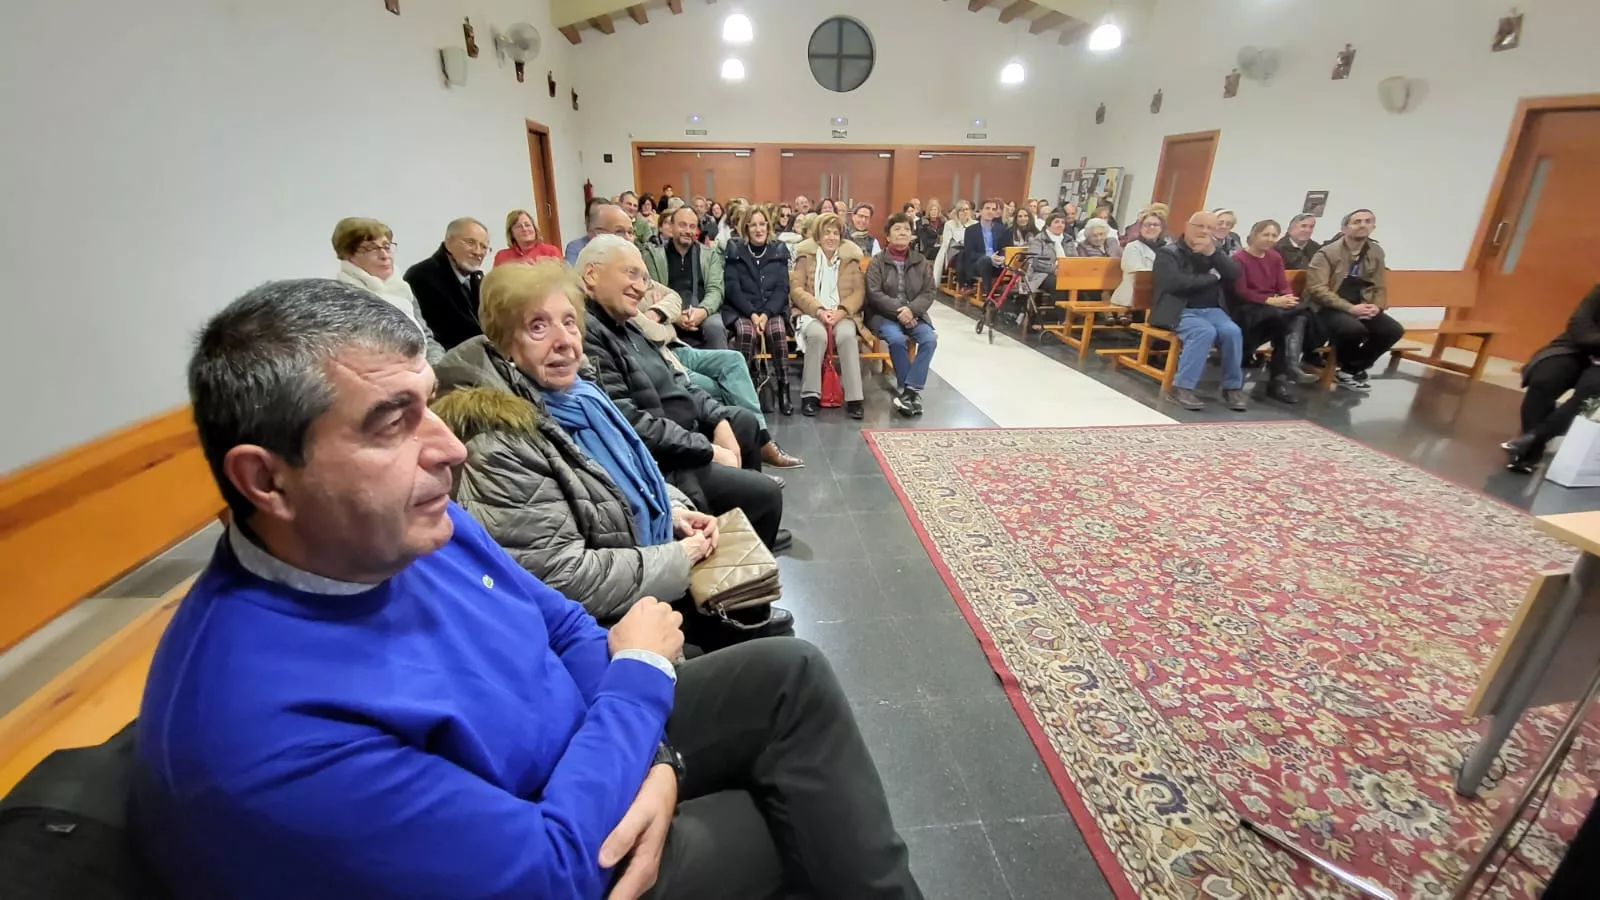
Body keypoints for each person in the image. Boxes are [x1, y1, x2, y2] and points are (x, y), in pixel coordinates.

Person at [135, 277, 919, 900]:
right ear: (266, 480)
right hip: (555, 840)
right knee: (795, 822)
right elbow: (545, 872)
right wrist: (640, 683)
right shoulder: (262, 730)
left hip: (585, 748)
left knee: (788, 676)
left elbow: (568, 627)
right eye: (392, 423)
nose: (450, 449)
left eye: (428, 404)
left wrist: (653, 754)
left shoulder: (406, 529)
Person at [432, 261, 794, 641]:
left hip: (637, 563)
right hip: (595, 629)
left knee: (751, 594)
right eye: (538, 326)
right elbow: (563, 578)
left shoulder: (581, 395)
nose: (563, 340)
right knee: (791, 659)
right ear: (504, 342)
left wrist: (673, 511)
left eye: (569, 322)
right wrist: (678, 557)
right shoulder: (500, 439)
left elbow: (623, 477)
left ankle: (738, 616)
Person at [580, 235, 789, 551]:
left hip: (681, 431)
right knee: (766, 494)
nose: (640, 288)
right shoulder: (589, 335)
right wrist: (706, 448)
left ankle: (748, 530)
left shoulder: (628, 324)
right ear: (592, 274)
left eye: (644, 278)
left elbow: (679, 380)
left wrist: (717, 419)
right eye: (631, 274)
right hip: (664, 460)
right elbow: (629, 424)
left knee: (743, 423)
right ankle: (740, 547)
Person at [633, 274, 805, 472]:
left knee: (734, 360)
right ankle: (745, 460)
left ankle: (762, 439)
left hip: (676, 348)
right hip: (659, 357)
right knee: (717, 386)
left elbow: (674, 298)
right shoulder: (618, 295)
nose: (637, 282)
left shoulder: (640, 277)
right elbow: (653, 334)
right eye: (631, 273)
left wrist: (657, 311)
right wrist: (666, 316)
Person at [1150, 212, 1247, 412]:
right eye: (1200, 226)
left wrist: (1214, 254)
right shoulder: (1168, 252)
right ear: (1188, 226)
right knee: (1203, 331)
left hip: (1212, 309)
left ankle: (1232, 388)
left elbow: (1234, 274)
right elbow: (1175, 284)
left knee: (1233, 332)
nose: (1204, 231)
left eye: (1210, 228)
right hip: (1178, 309)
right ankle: (1182, 388)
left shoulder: (1214, 252)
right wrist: (1212, 278)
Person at [1304, 208, 1405, 392]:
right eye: (1357, 222)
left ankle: (1350, 369)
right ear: (1344, 228)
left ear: (1373, 227)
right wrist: (1350, 309)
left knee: (1392, 330)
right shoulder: (1327, 253)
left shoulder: (1375, 251)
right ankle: (1347, 367)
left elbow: (1379, 284)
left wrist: (1376, 306)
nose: (1362, 225)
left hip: (1361, 303)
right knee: (1353, 329)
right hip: (1328, 306)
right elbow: (1317, 289)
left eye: (1367, 221)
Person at [1503, 285, 1600, 473]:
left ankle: (1532, 440)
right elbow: (1578, 324)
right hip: (1577, 346)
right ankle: (1531, 448)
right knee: (1546, 378)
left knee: (1590, 393)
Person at [330, 217, 442, 364]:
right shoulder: (340, 298)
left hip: (422, 367)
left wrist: (437, 366)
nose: (384, 255)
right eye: (371, 248)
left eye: (386, 246)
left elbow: (427, 339)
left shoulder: (401, 288)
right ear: (348, 255)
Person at [1230, 219, 1316, 404]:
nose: (1270, 239)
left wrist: (1288, 297)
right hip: (1248, 308)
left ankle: (1282, 377)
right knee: (1288, 320)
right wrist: (1272, 301)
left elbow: (1282, 284)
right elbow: (1241, 291)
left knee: (1299, 315)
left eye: (1274, 235)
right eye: (1265, 234)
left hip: (1273, 308)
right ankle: (1283, 375)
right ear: (1254, 235)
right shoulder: (1239, 259)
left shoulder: (1275, 257)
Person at [791, 212, 867, 419]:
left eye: (835, 233)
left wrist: (841, 311)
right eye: (826, 233)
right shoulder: (805, 259)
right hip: (812, 313)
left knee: (847, 336)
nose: (831, 237)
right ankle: (810, 395)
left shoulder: (850, 261)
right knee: (817, 336)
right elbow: (797, 290)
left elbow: (858, 292)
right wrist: (819, 310)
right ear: (818, 236)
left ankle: (854, 398)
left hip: (842, 314)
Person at [722, 207, 795, 415]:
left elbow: (782, 289)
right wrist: (753, 314)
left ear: (768, 226)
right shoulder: (735, 249)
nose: (758, 229)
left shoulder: (778, 249)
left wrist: (766, 314)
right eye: (753, 225)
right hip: (742, 309)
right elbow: (733, 288)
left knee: (778, 331)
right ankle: (742, 389)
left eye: (762, 224)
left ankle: (783, 388)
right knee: (746, 333)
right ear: (746, 227)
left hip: (771, 310)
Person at [866, 214, 938, 418]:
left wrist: (912, 310)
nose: (902, 233)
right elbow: (874, 294)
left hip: (914, 314)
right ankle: (910, 392)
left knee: (930, 339)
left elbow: (929, 292)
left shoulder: (920, 261)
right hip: (884, 314)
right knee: (896, 340)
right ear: (888, 236)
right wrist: (901, 311)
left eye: (906, 229)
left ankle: (909, 391)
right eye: (897, 229)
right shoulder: (877, 262)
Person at [644, 207, 728, 349]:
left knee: (715, 327)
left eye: (692, 226)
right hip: (668, 312)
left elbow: (716, 290)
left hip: (702, 310)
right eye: (682, 225)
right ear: (671, 227)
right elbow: (653, 291)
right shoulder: (654, 256)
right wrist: (675, 316)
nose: (688, 231)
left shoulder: (709, 255)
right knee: (653, 326)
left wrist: (702, 311)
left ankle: (722, 363)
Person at [405, 217, 491, 352]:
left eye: (484, 247)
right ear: (449, 242)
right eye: (470, 242)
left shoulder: (476, 279)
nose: (478, 252)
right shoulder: (422, 277)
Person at [1110, 211, 1166, 315]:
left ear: (1161, 228)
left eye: (1155, 225)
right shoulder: (1132, 247)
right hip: (1133, 295)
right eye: (1147, 225)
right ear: (1140, 228)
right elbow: (1138, 271)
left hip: (1157, 294)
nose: (1151, 228)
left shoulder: (1166, 248)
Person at [960, 198, 1012, 297]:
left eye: (993, 209)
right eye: (987, 208)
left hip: (997, 263)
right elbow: (970, 253)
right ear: (981, 211)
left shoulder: (1001, 229)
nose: (990, 211)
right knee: (986, 260)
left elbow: (1004, 248)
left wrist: (1002, 257)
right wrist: (989, 257)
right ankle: (988, 294)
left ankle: (1012, 293)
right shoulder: (971, 230)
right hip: (978, 264)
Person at [565, 200, 632, 265]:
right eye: (619, 231)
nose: (628, 238)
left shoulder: (630, 254)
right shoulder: (576, 247)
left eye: (630, 232)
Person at [493, 208, 562, 266]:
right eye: (518, 226)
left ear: (535, 229)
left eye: (527, 225)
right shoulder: (501, 256)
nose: (524, 229)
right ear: (511, 233)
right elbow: (495, 278)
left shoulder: (551, 251)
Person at [933, 199, 974, 284]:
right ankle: (962, 283)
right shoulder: (950, 224)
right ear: (957, 212)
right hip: (955, 253)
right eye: (962, 210)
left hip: (971, 253)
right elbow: (945, 244)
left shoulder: (975, 224)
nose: (965, 212)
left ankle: (969, 282)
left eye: (967, 209)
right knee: (962, 255)